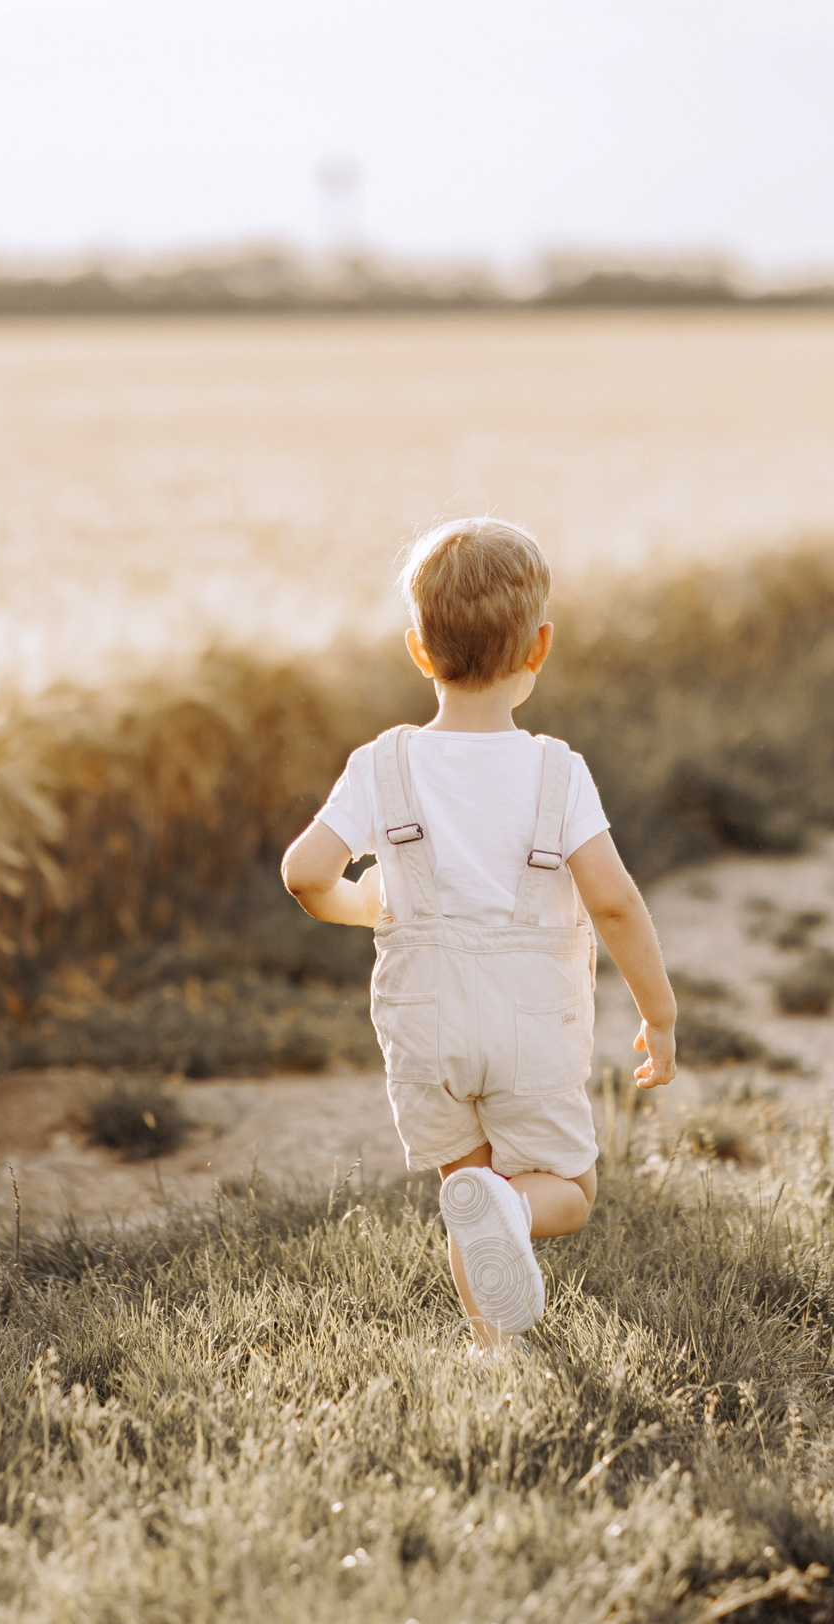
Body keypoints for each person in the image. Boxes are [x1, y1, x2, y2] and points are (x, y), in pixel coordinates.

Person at [280, 517, 678, 1351]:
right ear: (540, 647)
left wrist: (369, 905)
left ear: (418, 650)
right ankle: (518, 1213)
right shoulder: (555, 771)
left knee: (469, 1186)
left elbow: (305, 872)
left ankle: (492, 1352)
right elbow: (614, 902)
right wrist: (661, 1013)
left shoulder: (379, 764)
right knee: (563, 1186)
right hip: (528, 1021)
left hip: (425, 1021)